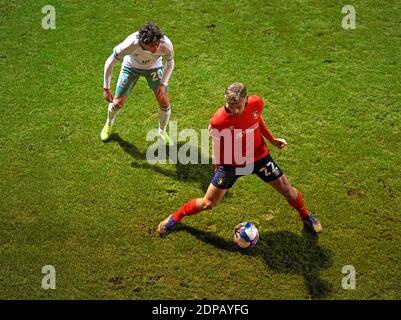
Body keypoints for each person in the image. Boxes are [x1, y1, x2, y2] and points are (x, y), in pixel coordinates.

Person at [157, 82, 322, 236]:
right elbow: (217, 148)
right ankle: (176, 217)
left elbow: (257, 119)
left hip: (259, 156)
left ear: (247, 100)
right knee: (209, 203)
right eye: (230, 106)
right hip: (231, 163)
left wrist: (272, 140)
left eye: (239, 106)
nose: (235, 111)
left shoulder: (256, 103)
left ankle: (305, 215)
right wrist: (217, 169)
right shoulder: (218, 121)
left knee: (288, 190)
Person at [101, 22, 174, 145]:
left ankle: (162, 131)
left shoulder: (165, 44)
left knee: (164, 100)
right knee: (118, 102)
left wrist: (163, 84)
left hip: (154, 68)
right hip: (131, 67)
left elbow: (170, 62)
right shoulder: (130, 44)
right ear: (143, 42)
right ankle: (109, 123)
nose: (156, 48)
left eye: (157, 43)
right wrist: (106, 88)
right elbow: (110, 62)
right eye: (151, 45)